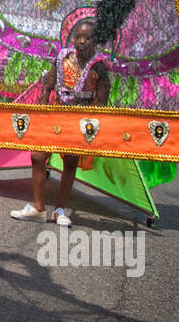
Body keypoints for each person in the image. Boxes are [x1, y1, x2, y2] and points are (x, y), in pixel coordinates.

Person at [10, 13, 111, 227]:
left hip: (80, 120)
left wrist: (90, 123)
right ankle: (38, 209)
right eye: (79, 36)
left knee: (71, 160)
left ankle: (59, 209)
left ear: (96, 41)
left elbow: (102, 101)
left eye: (89, 38)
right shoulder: (62, 58)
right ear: (72, 39)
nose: (83, 41)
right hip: (55, 115)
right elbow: (47, 85)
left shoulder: (99, 67)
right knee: (38, 156)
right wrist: (42, 109)